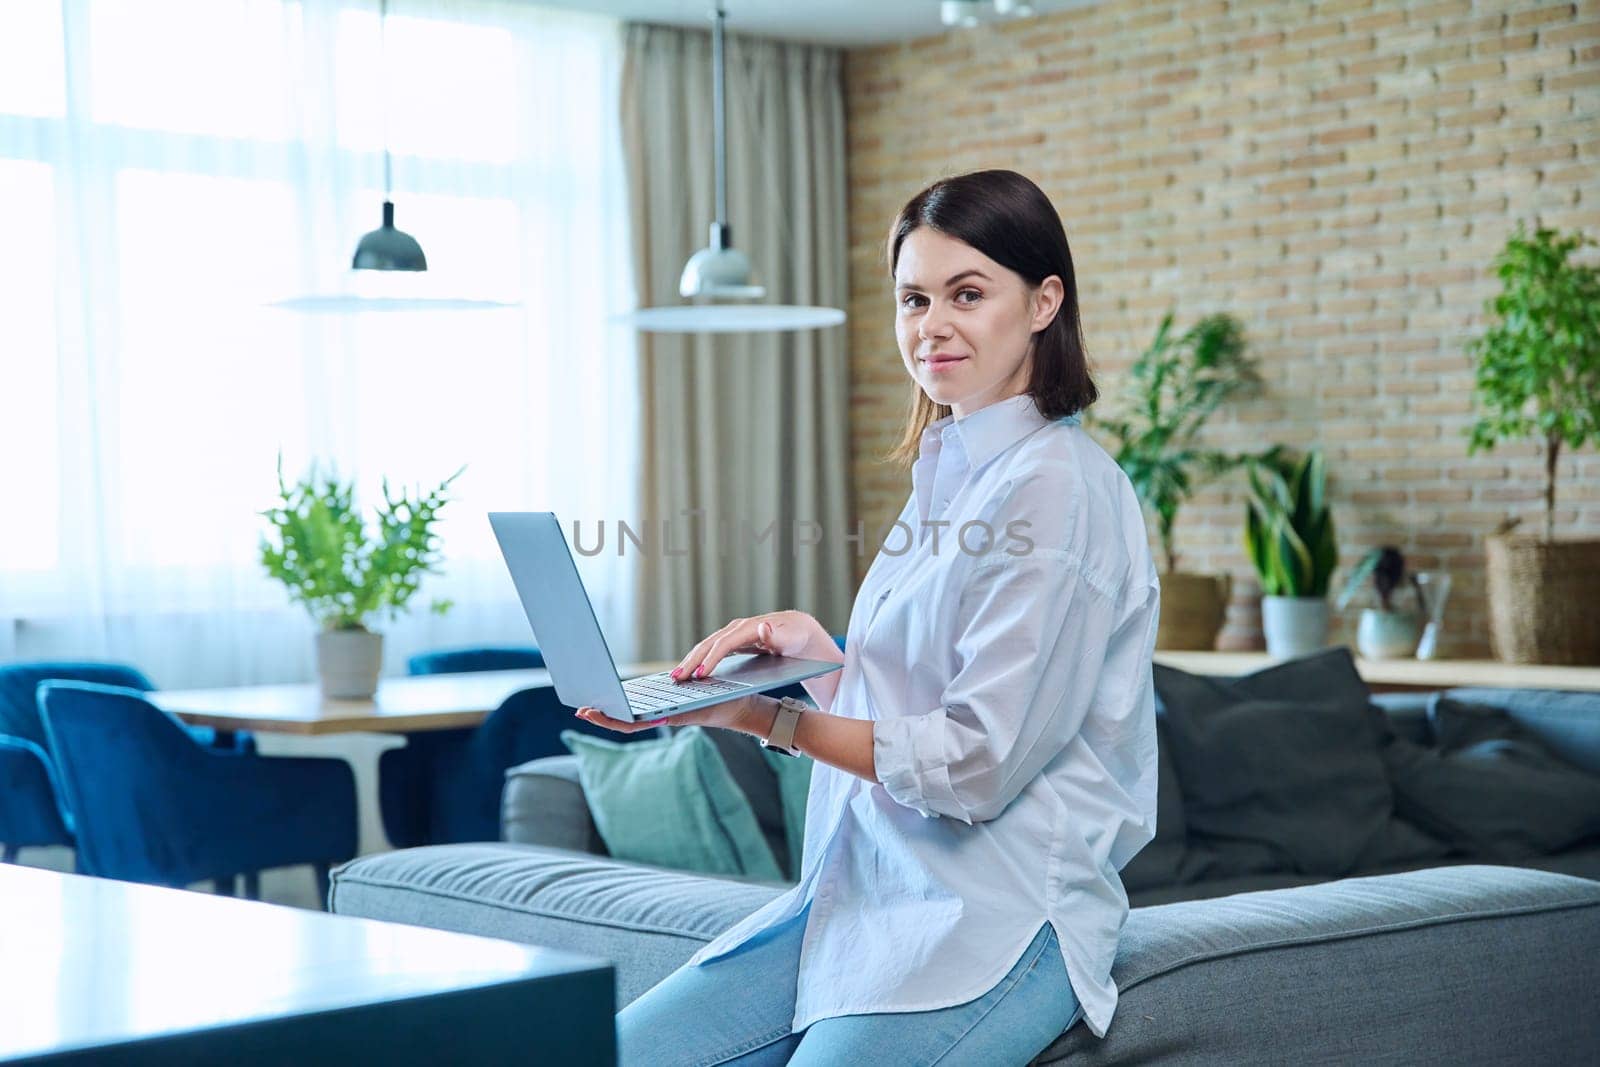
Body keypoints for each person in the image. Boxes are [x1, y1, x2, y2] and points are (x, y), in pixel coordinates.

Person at [575, 169, 1161, 1066]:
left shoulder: (1055, 488)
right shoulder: (952, 473)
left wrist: (766, 716)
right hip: (859, 899)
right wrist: (821, 660)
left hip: (990, 922)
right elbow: (920, 702)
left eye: (968, 293)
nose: (932, 325)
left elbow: (975, 763)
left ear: (1045, 301)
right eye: (913, 298)